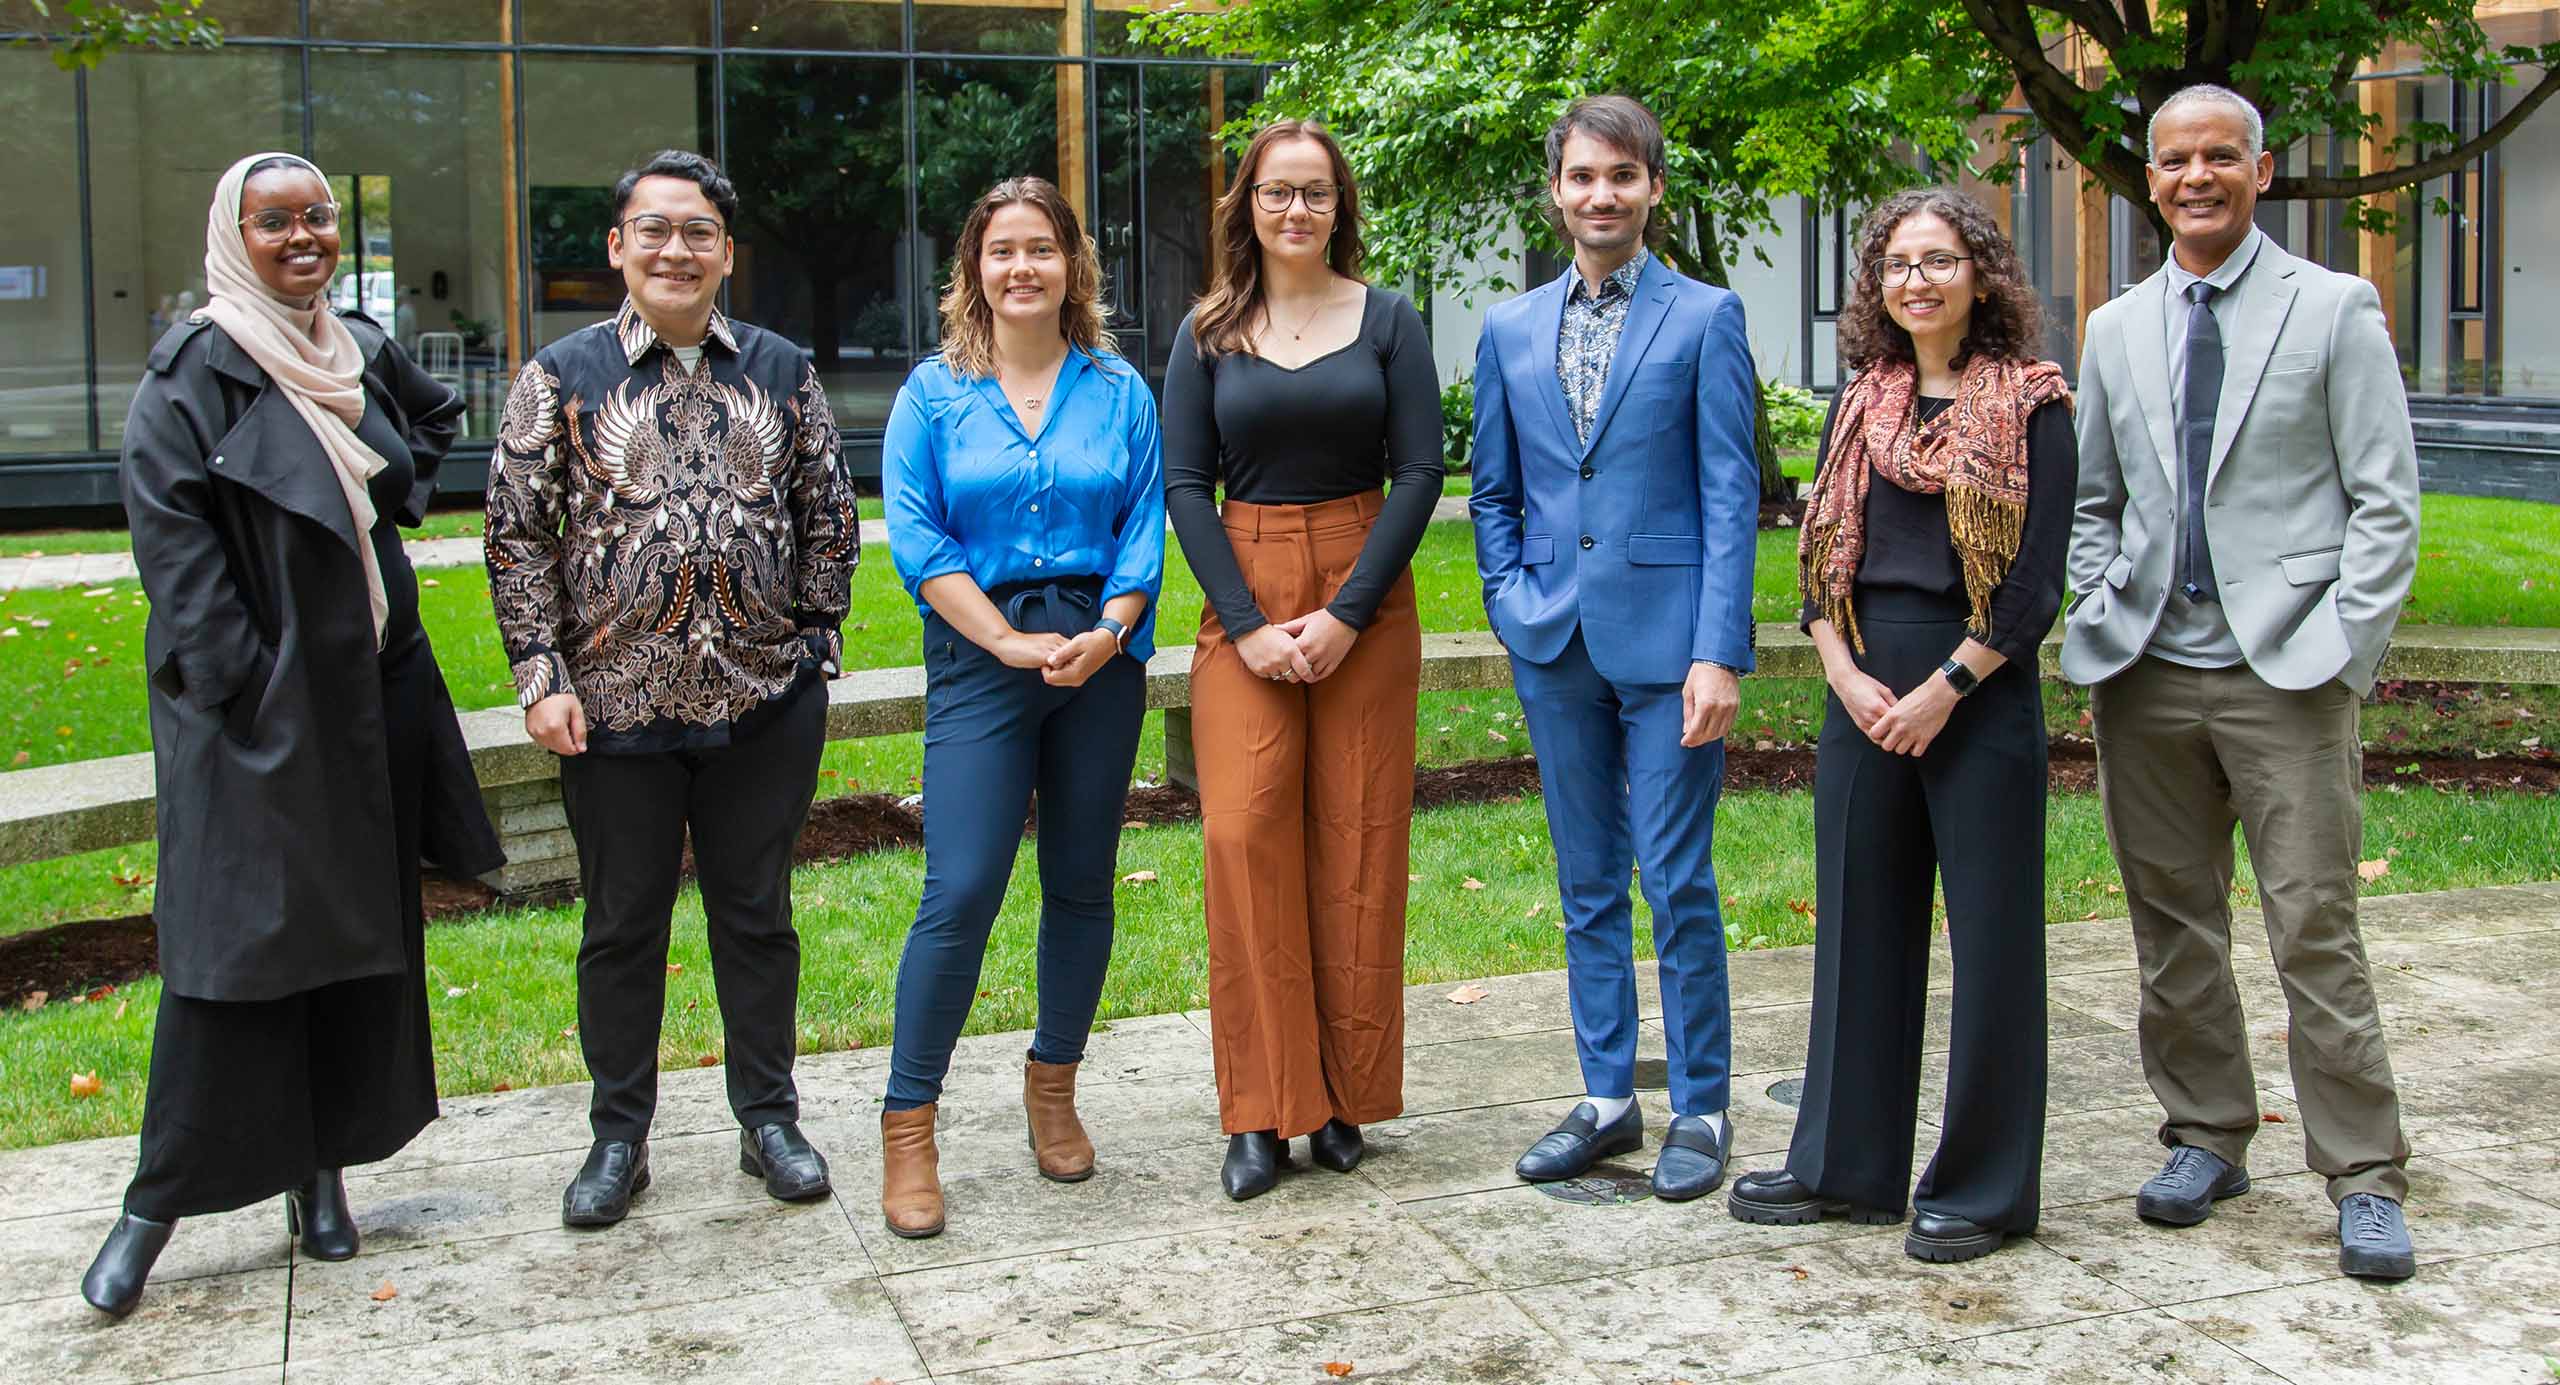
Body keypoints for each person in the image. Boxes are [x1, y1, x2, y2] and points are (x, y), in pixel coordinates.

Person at [86, 151, 503, 1318]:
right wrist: (249, 686)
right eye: (277, 222)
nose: (304, 237)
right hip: (257, 718)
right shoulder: (192, 373)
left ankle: (320, 1175)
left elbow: (422, 431)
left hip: (370, 697)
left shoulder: (353, 346)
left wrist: (386, 508)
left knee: (354, 941)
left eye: (318, 216)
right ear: (235, 234)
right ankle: (154, 1200)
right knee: (238, 961)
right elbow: (176, 559)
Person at [2065, 85, 2422, 1282]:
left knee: (2313, 926)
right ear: (2151, 180)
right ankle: (2207, 1133)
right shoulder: (2114, 326)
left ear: (2259, 173)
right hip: (2148, 675)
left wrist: (2341, 652)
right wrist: (2099, 602)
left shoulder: (2333, 307)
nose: (2197, 175)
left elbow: (2385, 505)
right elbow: (2095, 500)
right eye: (2177, 160)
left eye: (2221, 155)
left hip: (2289, 678)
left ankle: (2363, 1172)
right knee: (2172, 926)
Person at [484, 150, 860, 1228]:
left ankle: (769, 1118)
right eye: (653, 230)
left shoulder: (783, 369)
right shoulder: (559, 375)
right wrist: (540, 671)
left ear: (726, 252)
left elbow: (828, 508)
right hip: (611, 711)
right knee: (620, 926)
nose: (675, 249)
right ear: (618, 247)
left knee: (758, 915)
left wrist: (814, 640)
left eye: (697, 232)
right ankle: (618, 1137)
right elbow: (515, 535)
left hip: (762, 705)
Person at [1723, 188, 2069, 1261]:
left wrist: (1943, 690)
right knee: (1856, 930)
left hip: (1976, 689)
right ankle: (1845, 1165)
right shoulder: (1860, 401)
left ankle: (1983, 1187)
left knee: (1995, 945)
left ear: (1980, 274)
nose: (1915, 279)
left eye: (1938, 259)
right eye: (1896, 264)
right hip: (1861, 686)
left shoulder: (2035, 402)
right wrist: (1842, 671)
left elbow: (2035, 587)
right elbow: (1818, 565)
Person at [1469, 95, 1759, 1202]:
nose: (1602, 195)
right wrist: (1506, 598)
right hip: (1554, 641)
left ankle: (1701, 1102)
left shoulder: (1706, 316)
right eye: (1583, 176)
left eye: (1622, 177)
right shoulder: (1507, 328)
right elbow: (1494, 486)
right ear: (1556, 190)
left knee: (1676, 875)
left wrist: (1718, 649)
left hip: (1669, 647)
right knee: (1587, 878)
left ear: (1652, 190)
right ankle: (1604, 1095)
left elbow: (1730, 492)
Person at [877, 176, 1165, 1240]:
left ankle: (1054, 1086)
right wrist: (1000, 639)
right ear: (974, 270)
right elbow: (916, 537)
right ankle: (909, 1126)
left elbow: (1144, 520)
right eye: (1002, 250)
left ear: (1071, 266)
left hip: (1102, 655)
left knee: (1081, 883)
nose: (1022, 268)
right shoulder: (932, 394)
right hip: (979, 657)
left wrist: (1110, 630)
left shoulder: (1122, 390)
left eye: (1040, 249)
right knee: (959, 888)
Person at [1163, 121, 1440, 1202]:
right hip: (1247, 585)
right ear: (1248, 204)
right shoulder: (1208, 331)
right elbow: (1188, 484)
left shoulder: (1388, 321)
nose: (1295, 210)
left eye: (1315, 193)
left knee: (1356, 843)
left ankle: (1336, 1099)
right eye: (1277, 193)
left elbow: (1419, 470)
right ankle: (1258, 1108)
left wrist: (1346, 615)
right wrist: (1245, 621)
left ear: (1339, 206)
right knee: (1244, 837)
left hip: (1364, 586)